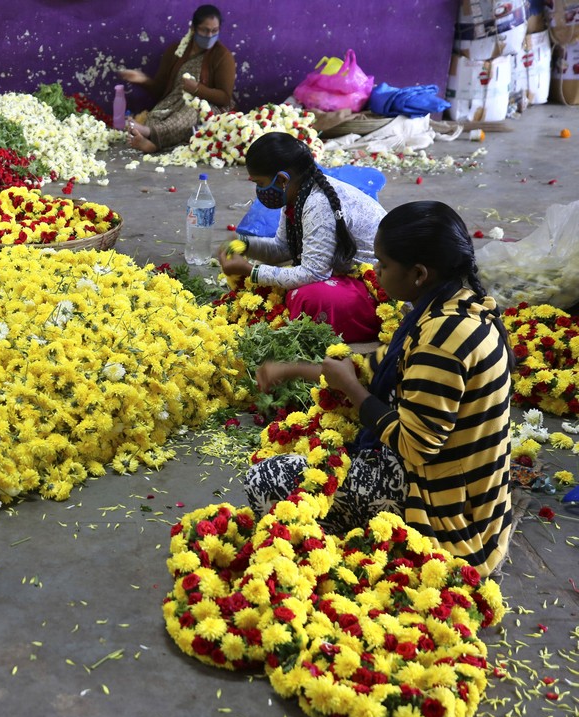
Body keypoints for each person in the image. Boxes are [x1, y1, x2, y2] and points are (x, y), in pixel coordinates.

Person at [245, 201, 515, 576]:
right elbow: (380, 365)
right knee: (334, 443)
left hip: (445, 512)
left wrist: (355, 394)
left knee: (265, 479)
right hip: (468, 491)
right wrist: (294, 369)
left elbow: (415, 446)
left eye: (384, 265)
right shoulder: (455, 306)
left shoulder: (443, 339)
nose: (375, 270)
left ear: (419, 274)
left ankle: (332, 556)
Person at [216, 132, 387, 343]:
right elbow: (283, 248)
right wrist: (244, 245)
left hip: (377, 284)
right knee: (272, 285)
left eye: (260, 183)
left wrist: (251, 271)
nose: (259, 191)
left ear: (281, 179)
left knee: (307, 298)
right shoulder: (297, 192)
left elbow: (314, 273)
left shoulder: (318, 203)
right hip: (338, 270)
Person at [117, 4, 235, 153]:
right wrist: (143, 80)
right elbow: (160, 90)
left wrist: (197, 89)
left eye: (214, 31)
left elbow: (224, 98)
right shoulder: (176, 50)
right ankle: (153, 142)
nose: (210, 35)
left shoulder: (223, 56)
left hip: (204, 106)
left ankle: (148, 135)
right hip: (173, 102)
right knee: (155, 116)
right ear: (193, 28)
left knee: (188, 116)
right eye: (205, 30)